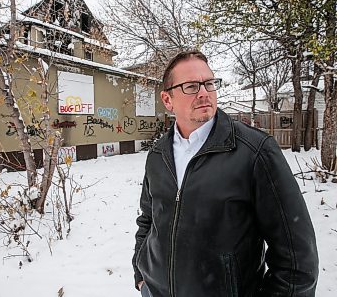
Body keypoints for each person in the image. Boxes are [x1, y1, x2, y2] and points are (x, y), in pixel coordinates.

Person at [132, 50, 318, 297]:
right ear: (168, 100)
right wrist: (141, 275)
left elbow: (296, 257)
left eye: (209, 83)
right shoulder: (158, 154)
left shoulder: (254, 152)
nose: (204, 93)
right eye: (190, 86)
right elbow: (148, 219)